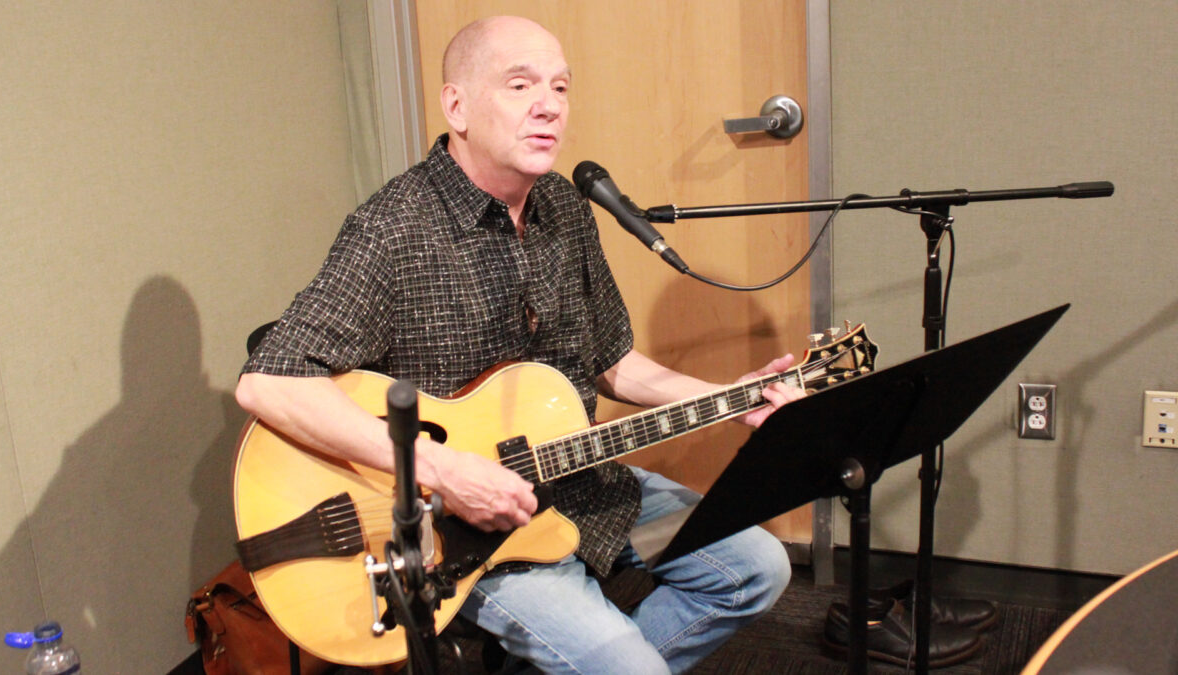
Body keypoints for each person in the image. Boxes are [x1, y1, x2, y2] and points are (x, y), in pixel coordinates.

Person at [236, 15, 805, 674]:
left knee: (756, 568)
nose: (549, 106)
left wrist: (730, 399)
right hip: (464, 534)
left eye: (560, 88)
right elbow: (266, 381)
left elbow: (613, 361)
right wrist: (444, 470)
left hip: (583, 493)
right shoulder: (392, 229)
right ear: (457, 106)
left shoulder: (564, 206)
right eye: (520, 84)